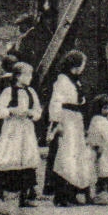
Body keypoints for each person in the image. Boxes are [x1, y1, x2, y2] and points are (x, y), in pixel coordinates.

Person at [44, 50, 96, 206]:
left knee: (76, 157)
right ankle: (61, 195)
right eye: (82, 64)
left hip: (75, 120)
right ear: (76, 65)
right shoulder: (62, 81)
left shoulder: (75, 81)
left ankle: (72, 193)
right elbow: (55, 103)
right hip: (66, 120)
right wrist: (56, 122)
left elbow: (80, 101)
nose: (84, 67)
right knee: (65, 157)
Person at [0, 60, 44, 206]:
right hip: (12, 129)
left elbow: (38, 111)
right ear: (18, 76)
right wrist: (11, 111)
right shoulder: (8, 92)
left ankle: (25, 195)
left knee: (26, 157)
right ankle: (1, 192)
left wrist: (31, 114)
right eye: (28, 75)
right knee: (9, 156)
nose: (30, 78)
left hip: (26, 128)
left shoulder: (31, 92)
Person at [86, 94, 108, 197]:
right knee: (102, 166)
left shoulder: (106, 120)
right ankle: (101, 186)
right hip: (102, 147)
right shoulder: (97, 120)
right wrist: (97, 145)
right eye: (105, 108)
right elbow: (94, 133)